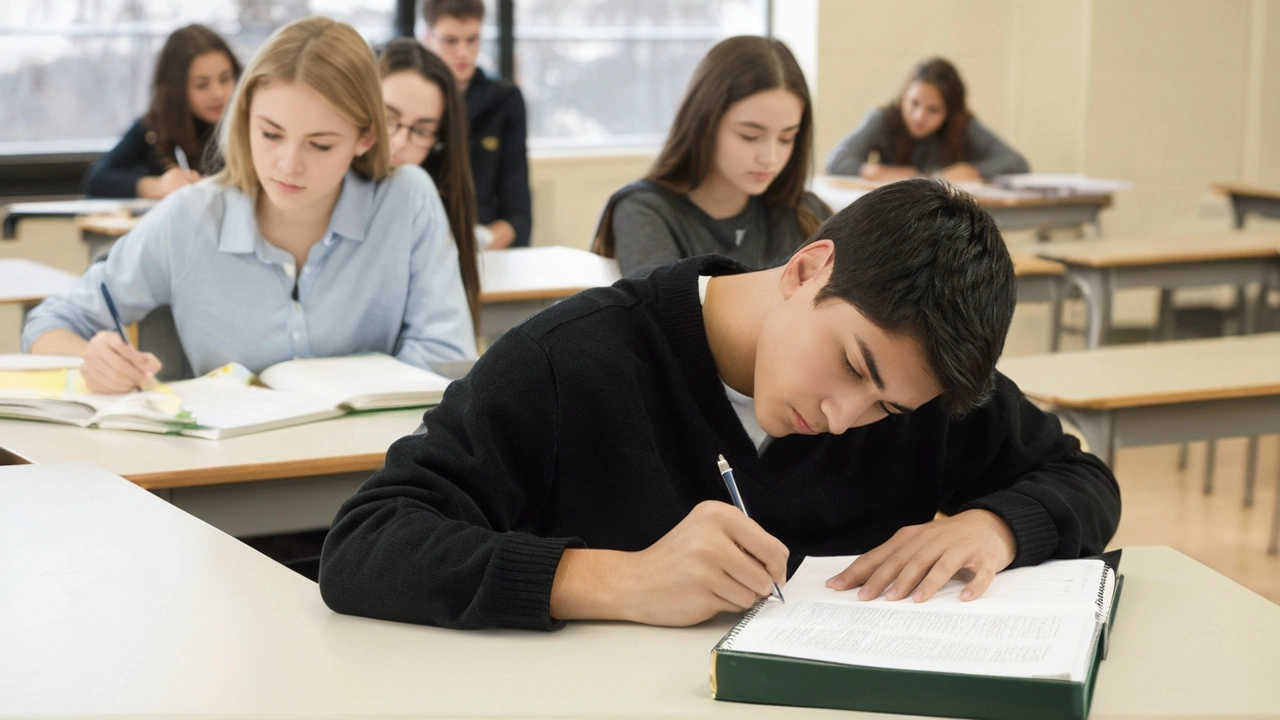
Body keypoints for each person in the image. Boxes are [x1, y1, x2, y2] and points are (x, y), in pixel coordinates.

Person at [319, 178, 1121, 631]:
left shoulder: (916, 387)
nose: (846, 417)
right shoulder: (573, 360)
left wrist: (995, 526)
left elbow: (1082, 480)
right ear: (809, 269)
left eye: (887, 410)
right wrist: (612, 582)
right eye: (850, 365)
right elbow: (365, 543)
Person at [25, 17, 477, 393]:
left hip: (377, 470)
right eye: (271, 134)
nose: (288, 165)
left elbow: (445, 358)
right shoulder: (190, 216)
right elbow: (48, 322)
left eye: (319, 145)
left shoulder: (407, 200)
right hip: (225, 477)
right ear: (244, 120)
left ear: (365, 138)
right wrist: (92, 357)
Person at [591, 36, 831, 277]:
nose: (770, 158)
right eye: (750, 136)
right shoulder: (644, 210)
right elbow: (663, 309)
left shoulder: (806, 212)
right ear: (705, 124)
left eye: (786, 138)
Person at [379, 38, 481, 335]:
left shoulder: (425, 202)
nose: (399, 143)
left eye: (422, 131)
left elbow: (444, 345)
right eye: (388, 119)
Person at [84, 24, 242, 199]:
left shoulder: (250, 123)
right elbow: (97, 180)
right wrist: (159, 186)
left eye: (225, 79)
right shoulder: (153, 128)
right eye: (201, 85)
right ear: (176, 88)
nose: (219, 93)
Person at [422, 0, 531, 249]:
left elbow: (518, 216)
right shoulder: (412, 101)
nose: (463, 52)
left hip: (484, 247)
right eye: (450, 41)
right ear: (428, 38)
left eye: (472, 40)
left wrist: (477, 242)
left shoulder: (505, 100)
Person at [825, 57, 1029, 182]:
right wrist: (872, 171)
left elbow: (1017, 163)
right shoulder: (884, 119)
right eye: (914, 103)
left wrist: (973, 171)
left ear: (950, 112)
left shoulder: (963, 126)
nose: (919, 116)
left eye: (933, 110)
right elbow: (836, 160)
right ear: (904, 96)